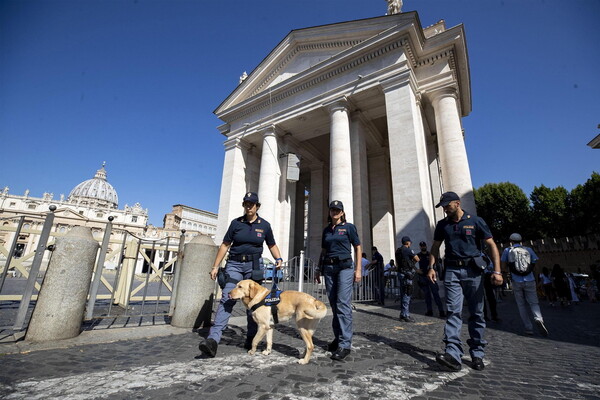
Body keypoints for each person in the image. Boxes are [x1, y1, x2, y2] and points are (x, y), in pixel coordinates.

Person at [198, 192, 283, 358]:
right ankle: (213, 339)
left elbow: (271, 244)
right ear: (244, 205)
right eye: (246, 203)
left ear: (257, 206)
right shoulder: (236, 223)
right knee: (227, 297)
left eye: (252, 204)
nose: (249, 206)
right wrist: (216, 266)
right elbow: (225, 245)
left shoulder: (264, 225)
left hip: (254, 266)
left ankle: (251, 337)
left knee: (254, 302)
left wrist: (278, 257)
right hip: (234, 264)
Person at [427, 191, 502, 372]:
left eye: (447, 205)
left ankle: (477, 352)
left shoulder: (475, 221)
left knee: (477, 313)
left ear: (457, 203)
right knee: (453, 311)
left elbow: (491, 244)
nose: (444, 209)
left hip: (474, 271)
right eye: (443, 206)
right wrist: (431, 267)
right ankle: (452, 353)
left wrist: (498, 271)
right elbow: (435, 246)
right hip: (452, 270)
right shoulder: (442, 225)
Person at [316, 200, 362, 361]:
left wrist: (358, 269)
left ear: (342, 212)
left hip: (345, 268)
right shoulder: (327, 230)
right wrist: (318, 268)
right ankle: (338, 338)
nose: (335, 212)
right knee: (335, 305)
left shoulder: (349, 227)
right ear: (329, 212)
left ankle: (345, 344)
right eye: (332, 209)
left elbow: (357, 247)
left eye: (338, 210)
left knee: (343, 304)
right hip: (329, 268)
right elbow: (323, 250)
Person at [501, 233, 548, 336]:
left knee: (521, 304)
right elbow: (536, 265)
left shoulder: (507, 251)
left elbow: (503, 266)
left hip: (516, 280)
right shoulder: (529, 250)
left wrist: (505, 276)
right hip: (529, 279)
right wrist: (536, 279)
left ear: (511, 241)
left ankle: (528, 327)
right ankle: (538, 318)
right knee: (534, 303)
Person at [417, 241, 446, 318]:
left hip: (431, 277)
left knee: (436, 294)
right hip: (423, 277)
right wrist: (416, 270)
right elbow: (411, 262)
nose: (423, 247)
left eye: (424, 246)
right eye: (422, 246)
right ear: (420, 247)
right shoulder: (418, 255)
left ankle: (441, 311)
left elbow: (436, 264)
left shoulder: (429, 254)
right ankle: (429, 310)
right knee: (427, 296)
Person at [396, 236, 419, 322]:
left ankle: (402, 314)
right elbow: (417, 258)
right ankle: (406, 315)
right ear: (407, 242)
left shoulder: (398, 250)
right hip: (407, 274)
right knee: (407, 294)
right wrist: (411, 264)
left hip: (400, 272)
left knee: (402, 294)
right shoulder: (408, 250)